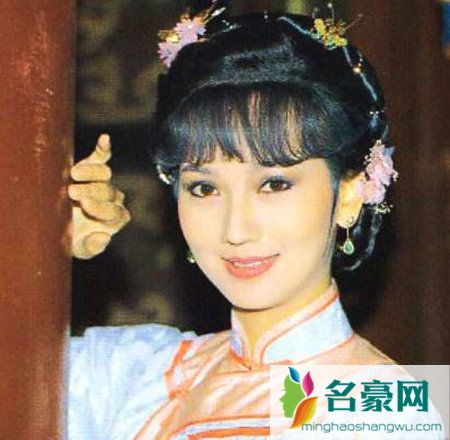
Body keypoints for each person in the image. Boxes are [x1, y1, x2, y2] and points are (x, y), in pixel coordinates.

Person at [68, 5, 445, 439]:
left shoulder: (382, 410)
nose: (235, 230)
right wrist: (42, 252)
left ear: (350, 194)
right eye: (204, 189)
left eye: (274, 184)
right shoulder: (136, 377)